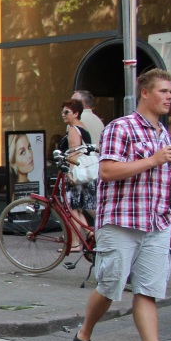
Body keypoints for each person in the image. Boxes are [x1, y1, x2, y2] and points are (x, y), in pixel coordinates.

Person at [69, 69, 171, 341]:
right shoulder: (120, 128)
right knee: (110, 286)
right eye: (163, 91)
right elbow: (107, 171)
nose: (169, 97)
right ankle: (84, 333)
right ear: (146, 93)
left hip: (156, 223)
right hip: (122, 221)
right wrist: (153, 160)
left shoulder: (163, 134)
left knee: (148, 289)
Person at [58, 99, 94, 245]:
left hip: (75, 173)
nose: (63, 115)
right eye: (62, 111)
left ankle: (74, 243)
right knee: (77, 207)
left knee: (71, 207)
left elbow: (74, 152)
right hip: (83, 173)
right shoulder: (82, 127)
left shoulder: (73, 129)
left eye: (67, 112)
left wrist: (69, 173)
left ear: (76, 113)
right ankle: (89, 234)